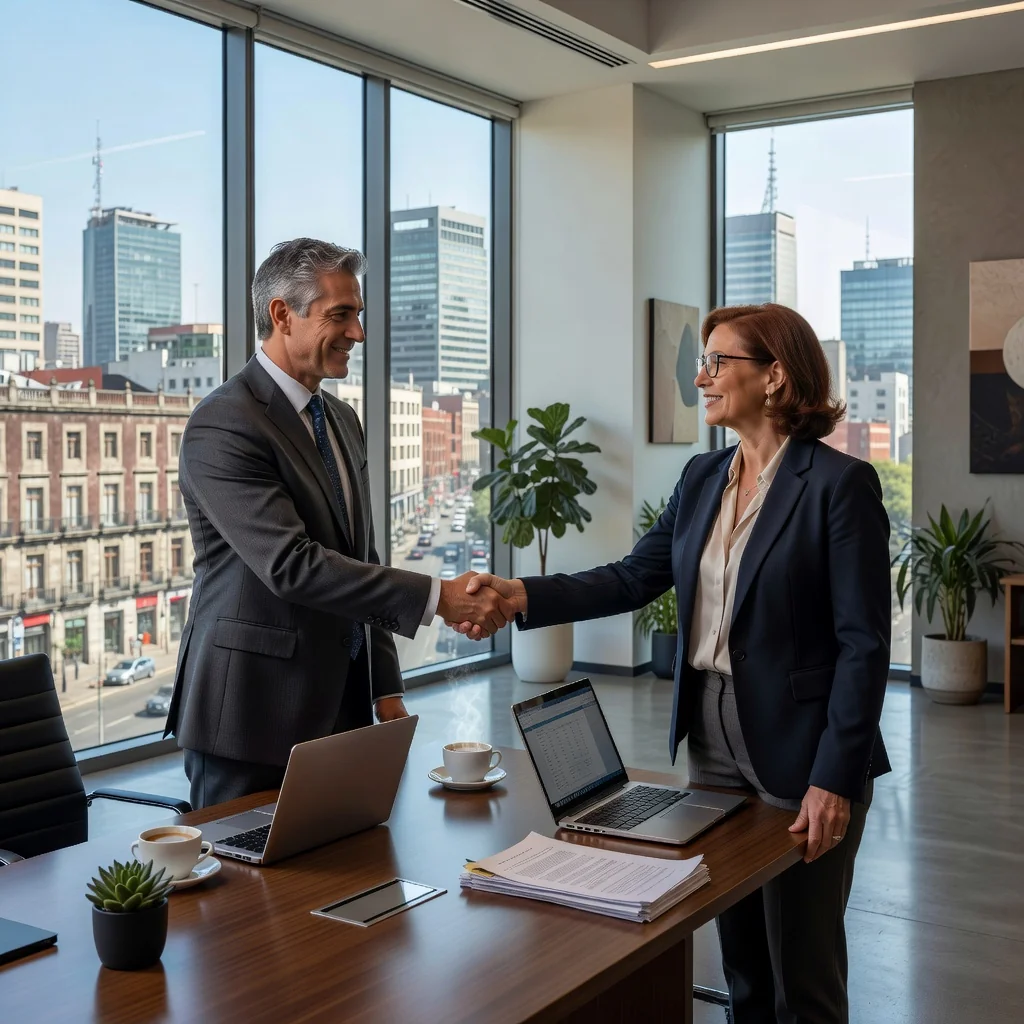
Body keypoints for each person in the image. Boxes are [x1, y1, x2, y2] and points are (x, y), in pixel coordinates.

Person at [457, 303, 891, 1023]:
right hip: (713, 744)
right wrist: (521, 593)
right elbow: (632, 577)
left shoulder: (839, 486)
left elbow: (864, 647)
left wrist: (833, 779)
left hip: (803, 747)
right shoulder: (701, 478)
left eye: (720, 362)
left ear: (775, 376)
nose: (702, 376)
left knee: (803, 976)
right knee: (743, 961)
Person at [165, 238, 514, 809]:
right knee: (251, 896)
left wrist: (385, 685)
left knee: (341, 880)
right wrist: (439, 597)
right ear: (282, 314)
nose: (358, 333)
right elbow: (291, 565)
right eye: (341, 315)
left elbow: (362, 556)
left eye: (358, 314)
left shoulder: (342, 419)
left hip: (344, 709)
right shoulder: (224, 423)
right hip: (252, 718)